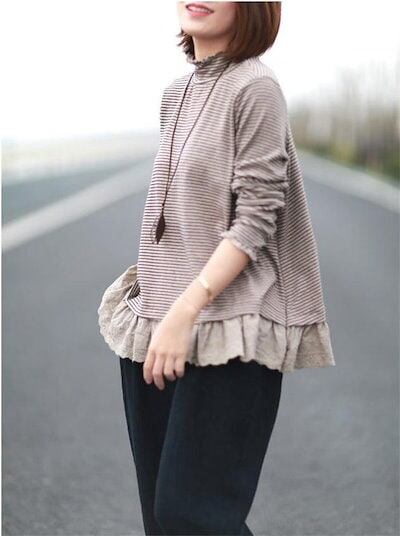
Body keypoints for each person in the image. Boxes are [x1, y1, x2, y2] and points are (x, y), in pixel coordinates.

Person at [98, 2, 336, 534]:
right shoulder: (175, 93)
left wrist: (185, 312)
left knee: (194, 516)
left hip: (230, 329)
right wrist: (162, 313)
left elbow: (257, 217)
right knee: (165, 522)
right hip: (155, 324)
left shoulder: (255, 87)